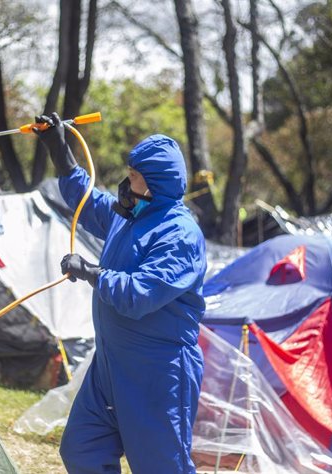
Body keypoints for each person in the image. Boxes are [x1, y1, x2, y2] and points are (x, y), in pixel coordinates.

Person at [36, 113, 206, 473]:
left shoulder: (180, 235)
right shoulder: (129, 217)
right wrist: (60, 151)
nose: (125, 184)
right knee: (83, 450)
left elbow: (140, 295)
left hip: (158, 374)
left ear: (155, 184)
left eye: (133, 177)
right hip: (111, 367)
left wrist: (92, 273)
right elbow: (86, 201)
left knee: (162, 468)